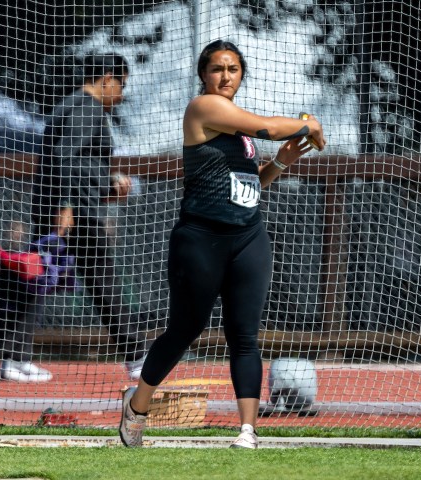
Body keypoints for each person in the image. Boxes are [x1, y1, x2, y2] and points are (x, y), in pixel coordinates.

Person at [118, 39, 326, 448]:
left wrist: (281, 161)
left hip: (248, 236)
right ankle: (136, 405)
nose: (226, 76)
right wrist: (309, 124)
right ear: (203, 75)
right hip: (201, 238)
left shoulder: (238, 131)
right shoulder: (204, 108)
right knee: (185, 329)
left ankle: (247, 430)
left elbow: (250, 185)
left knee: (244, 335)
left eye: (233, 69)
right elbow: (266, 126)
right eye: (217, 69)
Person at [22, 53, 147, 382]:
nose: (121, 94)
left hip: (68, 209)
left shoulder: (77, 107)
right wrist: (65, 206)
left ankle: (13, 356)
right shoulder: (86, 108)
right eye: (122, 84)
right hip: (75, 215)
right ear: (107, 78)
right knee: (104, 283)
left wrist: (109, 186)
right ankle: (136, 358)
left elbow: (81, 166)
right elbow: (64, 156)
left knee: (35, 282)